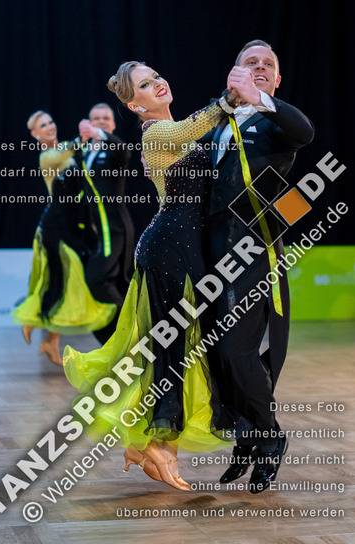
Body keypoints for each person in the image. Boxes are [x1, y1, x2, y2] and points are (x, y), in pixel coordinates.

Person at [63, 61, 242, 491]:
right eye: (145, 84)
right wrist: (229, 100)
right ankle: (159, 447)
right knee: (173, 349)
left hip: (183, 249)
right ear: (134, 105)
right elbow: (192, 128)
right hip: (169, 250)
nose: (158, 82)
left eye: (156, 76)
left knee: (181, 347)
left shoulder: (176, 134)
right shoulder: (157, 133)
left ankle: (147, 444)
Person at [201, 40, 315, 493]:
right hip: (210, 255)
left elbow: (305, 131)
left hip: (254, 253)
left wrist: (259, 99)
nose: (261, 67)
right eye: (252, 62)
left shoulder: (276, 123)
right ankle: (246, 435)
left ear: (277, 80)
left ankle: (270, 438)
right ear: (234, 72)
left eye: (269, 64)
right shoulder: (215, 122)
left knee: (237, 351)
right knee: (217, 356)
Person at [12, 111, 117, 365]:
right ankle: (34, 320)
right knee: (66, 276)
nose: (49, 126)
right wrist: (85, 138)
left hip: (71, 224)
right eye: (43, 125)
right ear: (35, 134)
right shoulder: (48, 156)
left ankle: (50, 340)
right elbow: (67, 152)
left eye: (50, 122)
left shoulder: (66, 152)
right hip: (55, 226)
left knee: (63, 278)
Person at [77, 103, 135, 345]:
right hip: (97, 229)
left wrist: (100, 135)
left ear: (111, 125)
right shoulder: (84, 152)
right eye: (95, 118)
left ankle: (126, 336)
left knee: (97, 279)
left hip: (115, 228)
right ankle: (117, 345)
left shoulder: (113, 151)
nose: (100, 121)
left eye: (105, 119)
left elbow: (123, 151)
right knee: (113, 284)